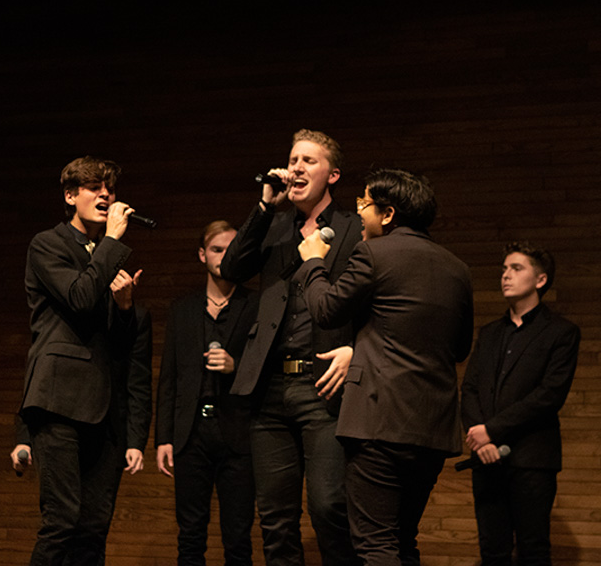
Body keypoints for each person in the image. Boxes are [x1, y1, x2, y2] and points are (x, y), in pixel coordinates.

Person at [296, 168, 474, 565]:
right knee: (403, 540)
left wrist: (312, 264)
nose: (360, 212)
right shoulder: (457, 268)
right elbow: (459, 348)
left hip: (379, 421)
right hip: (431, 426)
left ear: (388, 213)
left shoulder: (373, 254)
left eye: (364, 204)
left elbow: (325, 310)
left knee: (375, 543)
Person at [220, 129, 362, 565]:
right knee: (276, 520)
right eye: (293, 160)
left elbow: (376, 301)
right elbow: (231, 267)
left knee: (328, 507)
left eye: (309, 161)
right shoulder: (274, 225)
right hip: (270, 391)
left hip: (324, 389)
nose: (297, 168)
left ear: (332, 175)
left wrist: (357, 350)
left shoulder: (354, 229)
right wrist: (264, 205)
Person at [9, 156, 152, 565]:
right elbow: (79, 297)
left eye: (109, 187)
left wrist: (125, 308)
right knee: (62, 520)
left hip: (104, 409)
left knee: (93, 526)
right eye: (93, 187)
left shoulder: (105, 254)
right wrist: (112, 241)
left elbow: (122, 349)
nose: (105, 194)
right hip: (58, 402)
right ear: (71, 196)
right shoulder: (48, 244)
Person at [460, 242, 580, 566]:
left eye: (516, 268)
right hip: (485, 460)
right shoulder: (489, 333)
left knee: (533, 550)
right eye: (503, 269)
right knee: (492, 550)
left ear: (540, 280)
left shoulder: (561, 332)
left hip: (531, 459)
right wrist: (478, 435)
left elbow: (548, 396)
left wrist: (491, 431)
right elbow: (469, 389)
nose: (505, 276)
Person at [155, 220, 258, 566]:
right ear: (202, 255)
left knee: (239, 539)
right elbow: (169, 377)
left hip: (239, 434)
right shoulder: (183, 309)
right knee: (190, 536)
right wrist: (164, 438)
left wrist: (236, 366)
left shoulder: (256, 305)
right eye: (216, 249)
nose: (224, 257)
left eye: (231, 249)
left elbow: (269, 370)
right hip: (190, 434)